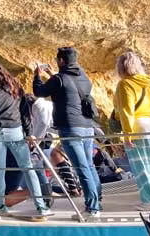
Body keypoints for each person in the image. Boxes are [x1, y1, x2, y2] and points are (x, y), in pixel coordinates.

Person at [0, 59, 51, 216]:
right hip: (15, 131)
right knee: (27, 167)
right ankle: (41, 206)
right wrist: (29, 133)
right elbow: (24, 112)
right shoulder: (15, 84)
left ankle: (1, 206)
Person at [33, 46, 101, 218]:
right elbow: (67, 87)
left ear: (61, 61)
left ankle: (93, 210)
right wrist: (52, 74)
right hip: (87, 126)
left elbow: (39, 92)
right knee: (89, 166)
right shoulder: (83, 77)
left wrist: (37, 75)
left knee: (81, 167)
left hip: (70, 127)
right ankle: (97, 200)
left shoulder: (59, 79)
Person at [113, 51, 150, 208]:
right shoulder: (148, 81)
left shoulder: (125, 84)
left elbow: (126, 111)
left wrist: (127, 134)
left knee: (143, 165)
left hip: (140, 127)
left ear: (121, 68)